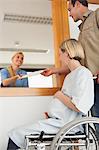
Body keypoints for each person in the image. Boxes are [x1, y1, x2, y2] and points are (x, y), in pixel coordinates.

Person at [7, 39, 94, 149]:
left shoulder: (83, 73)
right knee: (16, 134)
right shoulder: (71, 75)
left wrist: (59, 95)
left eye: (60, 54)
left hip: (66, 124)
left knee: (16, 134)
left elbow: (80, 106)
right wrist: (53, 113)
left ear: (67, 53)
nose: (59, 58)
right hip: (58, 121)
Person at [42, 0, 99, 138]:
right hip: (92, 83)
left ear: (78, 4)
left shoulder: (96, 16)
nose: (68, 14)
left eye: (69, 10)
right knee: (96, 122)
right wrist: (54, 71)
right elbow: (76, 64)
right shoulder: (81, 33)